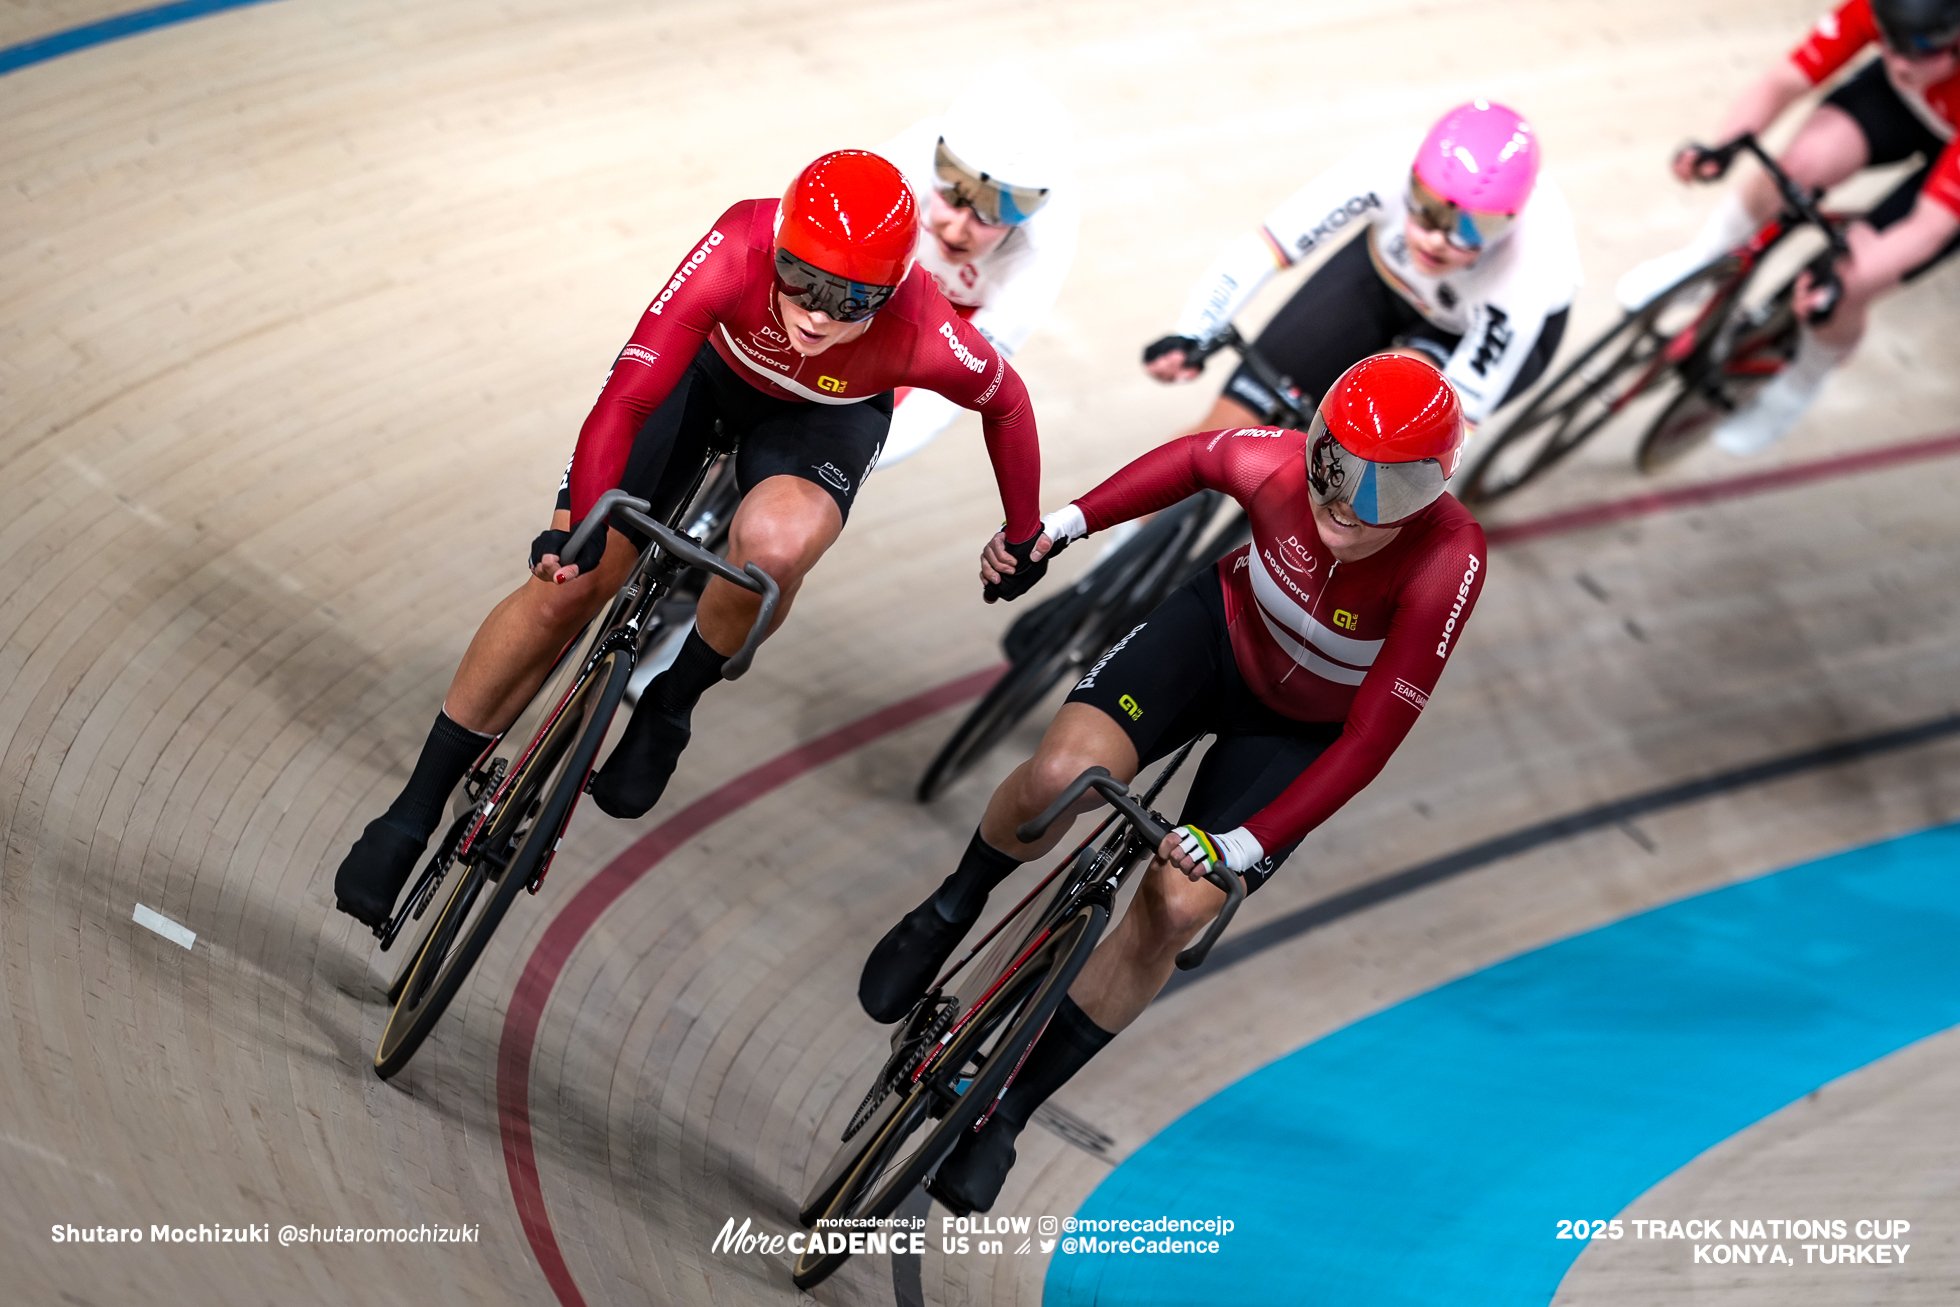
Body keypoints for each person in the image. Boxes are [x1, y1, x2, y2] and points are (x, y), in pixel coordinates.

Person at [332, 150, 1050, 930]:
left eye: (850, 301)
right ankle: (413, 806)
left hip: (822, 418)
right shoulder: (738, 244)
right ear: (776, 247)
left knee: (773, 549)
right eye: (801, 281)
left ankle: (673, 700)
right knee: (567, 584)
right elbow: (627, 397)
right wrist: (583, 523)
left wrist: (1022, 533)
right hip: (706, 373)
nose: (816, 313)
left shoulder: (925, 331)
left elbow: (1008, 407)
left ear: (890, 294)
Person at [859, 354, 1488, 1215]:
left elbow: (1369, 739)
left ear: (1433, 494)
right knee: (1059, 776)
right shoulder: (1272, 465)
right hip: (1218, 640)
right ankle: (952, 905)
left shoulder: (1448, 560)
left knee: (1181, 905)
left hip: (1299, 733)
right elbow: (1192, 461)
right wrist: (1063, 526)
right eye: (1335, 467)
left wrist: (1238, 845)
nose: (1346, 501)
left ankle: (1006, 1111)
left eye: (1385, 492)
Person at [1615, 0, 1960, 456]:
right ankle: (1702, 264)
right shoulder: (1889, 19)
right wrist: (1724, 148)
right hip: (1908, 103)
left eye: (1921, 49)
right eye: (1890, 40)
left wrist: (1840, 287)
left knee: (1847, 282)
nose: (1898, 61)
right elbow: (1782, 83)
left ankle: (1800, 384)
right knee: (1793, 168)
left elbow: (1927, 230)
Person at [1141, 100, 1579, 438]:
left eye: (1472, 228)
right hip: (1387, 277)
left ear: (1509, 222)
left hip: (1466, 331)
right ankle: (1125, 547)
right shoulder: (1386, 163)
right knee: (1222, 429)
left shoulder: (1529, 262)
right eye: (1425, 206)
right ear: (1411, 178)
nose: (1436, 239)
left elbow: (1464, 416)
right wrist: (1193, 333)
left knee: (1372, 429)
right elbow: (1265, 248)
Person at [874, 74, 1080, 468]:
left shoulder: (1044, 243)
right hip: (888, 270)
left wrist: (856, 457)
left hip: (957, 317)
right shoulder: (910, 158)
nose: (957, 228)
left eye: (995, 210)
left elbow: (945, 399)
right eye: (953, 192)